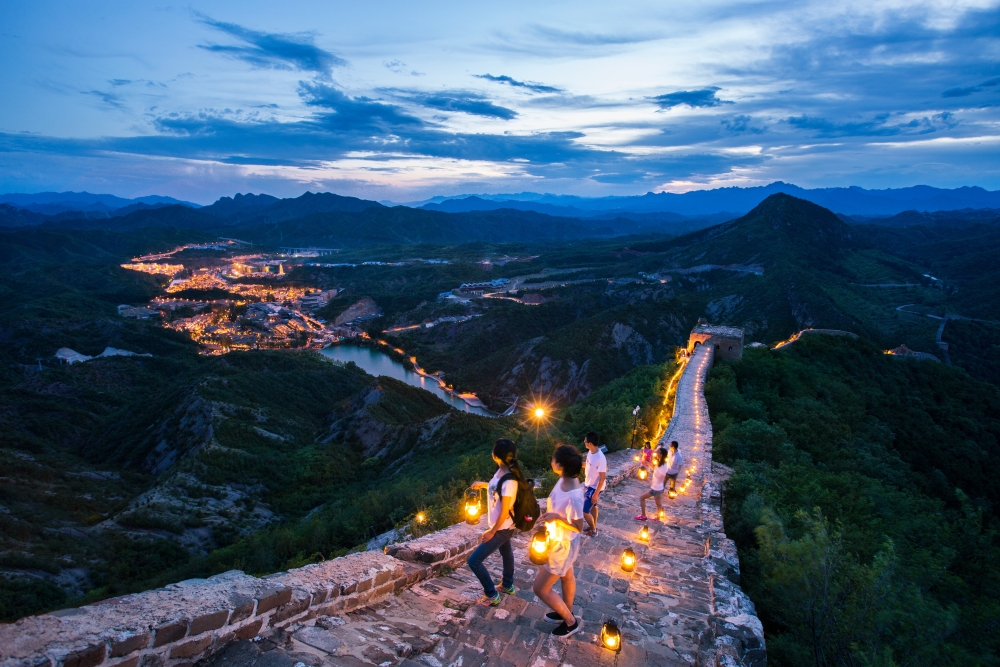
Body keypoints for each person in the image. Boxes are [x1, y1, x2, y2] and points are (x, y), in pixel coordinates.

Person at [534, 444, 585, 638]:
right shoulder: (564, 479)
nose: (551, 461)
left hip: (563, 545)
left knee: (540, 588)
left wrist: (557, 518)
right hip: (560, 539)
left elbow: (579, 527)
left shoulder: (574, 495)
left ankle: (571, 623)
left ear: (561, 465)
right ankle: (566, 611)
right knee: (567, 577)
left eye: (554, 459)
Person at [467, 438, 523, 606]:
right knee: (506, 554)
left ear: (496, 456)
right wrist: (484, 485)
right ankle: (507, 585)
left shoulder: (510, 481)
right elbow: (496, 489)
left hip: (502, 528)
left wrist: (492, 531)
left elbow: (506, 510)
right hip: (502, 527)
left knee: (474, 561)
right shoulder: (501, 472)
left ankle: (491, 594)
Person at [582, 432, 606, 537]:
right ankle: (594, 525)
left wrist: (596, 494)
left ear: (590, 443)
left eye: (585, 441)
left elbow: (602, 477)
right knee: (593, 506)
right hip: (588, 484)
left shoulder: (600, 458)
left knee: (585, 511)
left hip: (594, 487)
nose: (584, 442)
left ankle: (594, 530)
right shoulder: (590, 452)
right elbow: (587, 465)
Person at [635, 447, 668, 521]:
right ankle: (658, 518)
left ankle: (643, 516)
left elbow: (664, 476)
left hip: (656, 488)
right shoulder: (660, 463)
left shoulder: (663, 466)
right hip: (658, 488)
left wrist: (661, 484)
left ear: (661, 454)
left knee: (642, 498)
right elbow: (656, 470)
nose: (656, 453)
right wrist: (649, 464)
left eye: (658, 452)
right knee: (658, 504)